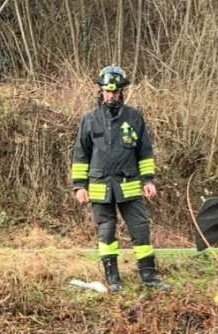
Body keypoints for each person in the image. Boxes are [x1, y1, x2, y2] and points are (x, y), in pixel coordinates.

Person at [71, 64, 170, 293]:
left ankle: (149, 276)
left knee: (141, 229)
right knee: (106, 233)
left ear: (121, 92)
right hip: (99, 186)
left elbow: (144, 152)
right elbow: (80, 155)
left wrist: (148, 180)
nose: (111, 95)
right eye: (107, 91)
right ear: (101, 91)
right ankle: (113, 279)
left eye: (114, 92)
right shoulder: (90, 120)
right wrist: (79, 186)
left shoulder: (134, 117)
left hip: (129, 184)